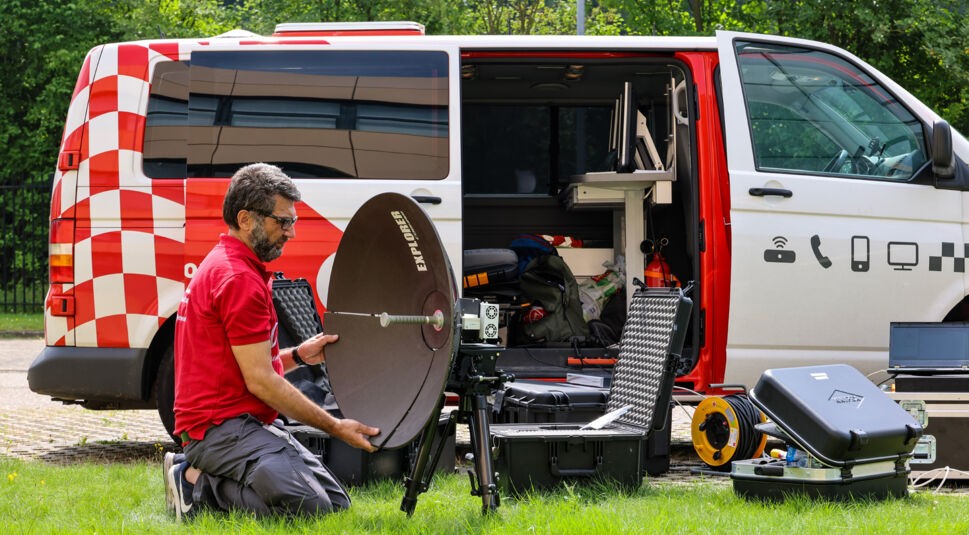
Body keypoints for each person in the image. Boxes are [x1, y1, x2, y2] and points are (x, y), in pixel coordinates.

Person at [163, 163, 380, 521]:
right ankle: (193, 483)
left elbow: (242, 363)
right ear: (246, 219)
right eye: (283, 221)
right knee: (311, 510)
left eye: (292, 222)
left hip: (244, 423)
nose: (290, 232)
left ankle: (206, 473)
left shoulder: (234, 266)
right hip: (218, 429)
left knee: (336, 506)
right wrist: (335, 427)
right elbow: (261, 380)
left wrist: (299, 355)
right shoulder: (237, 279)